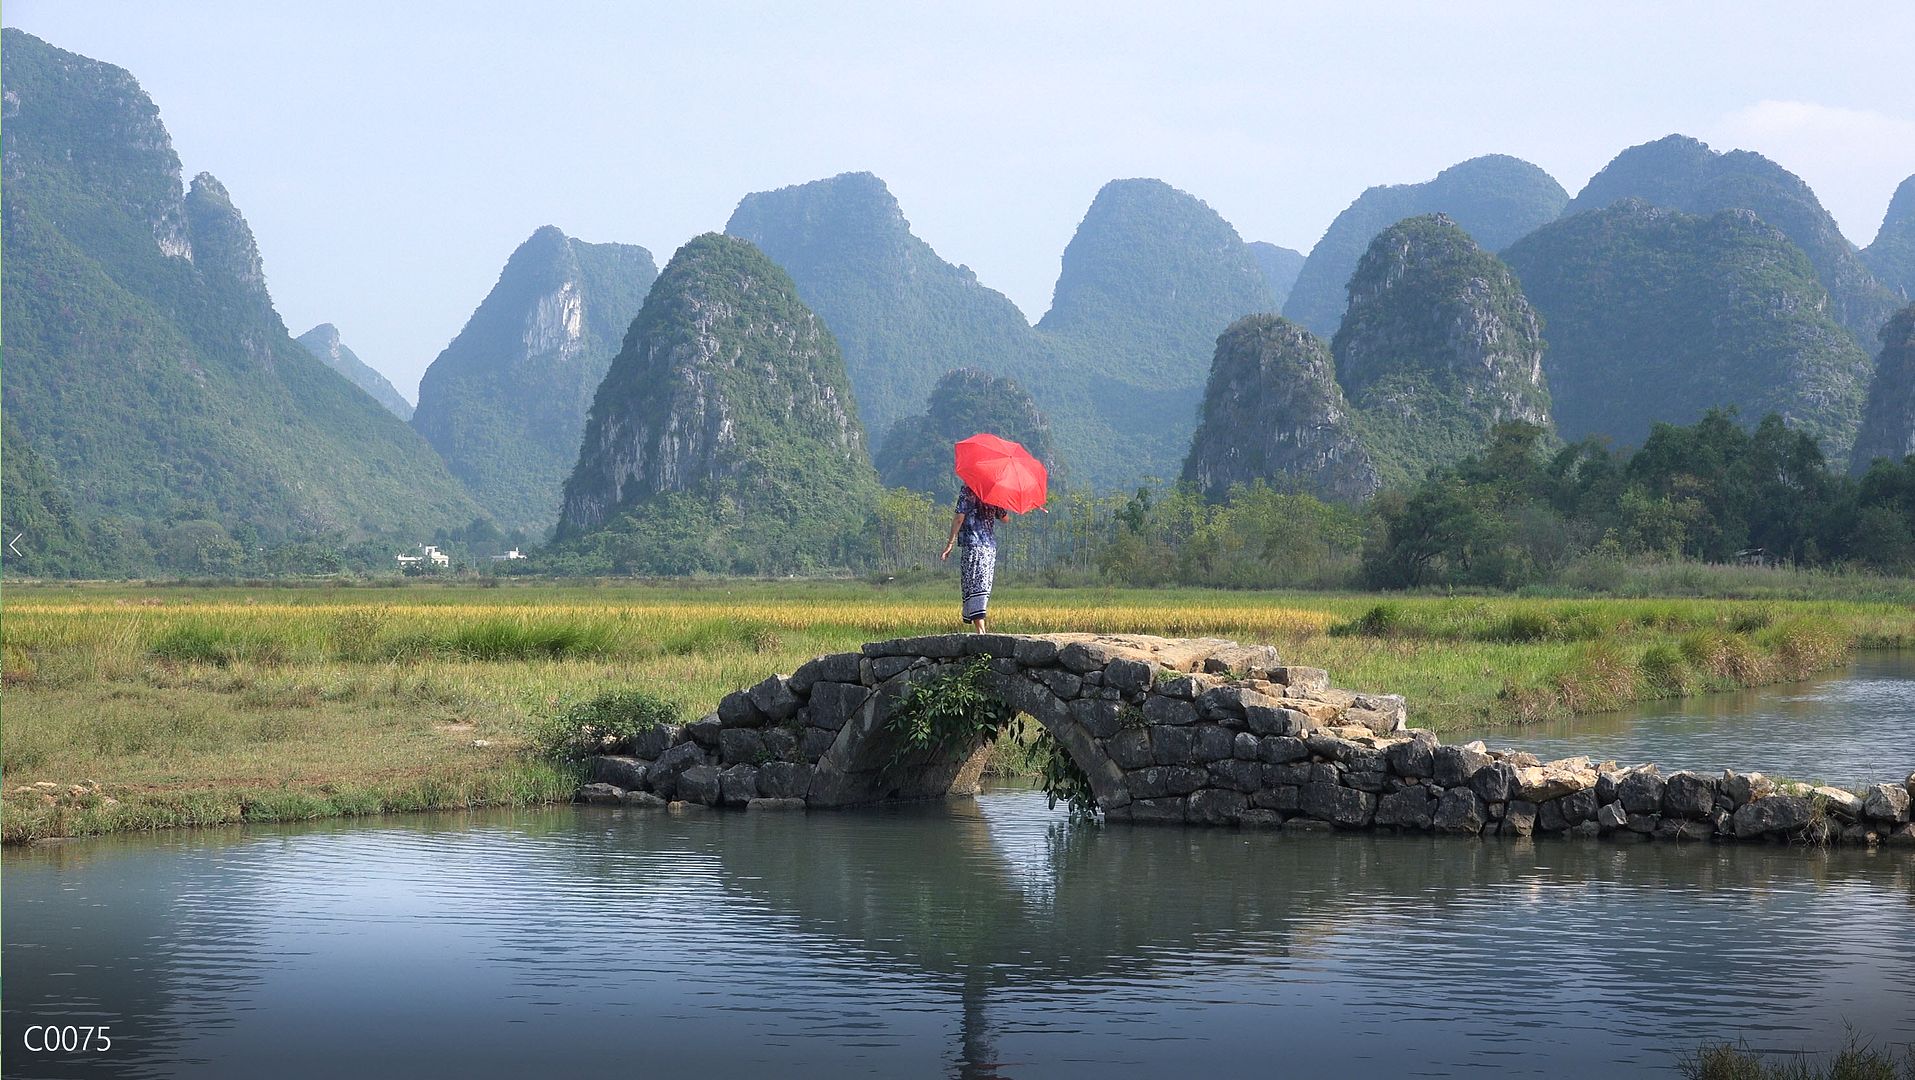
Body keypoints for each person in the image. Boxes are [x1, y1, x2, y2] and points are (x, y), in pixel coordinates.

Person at [941, 484, 1008, 632]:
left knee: (973, 585)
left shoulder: (968, 490)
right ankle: (981, 628)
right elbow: (1005, 518)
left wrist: (950, 543)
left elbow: (959, 518)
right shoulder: (993, 491)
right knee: (982, 585)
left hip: (973, 545)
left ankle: (980, 630)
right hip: (989, 549)